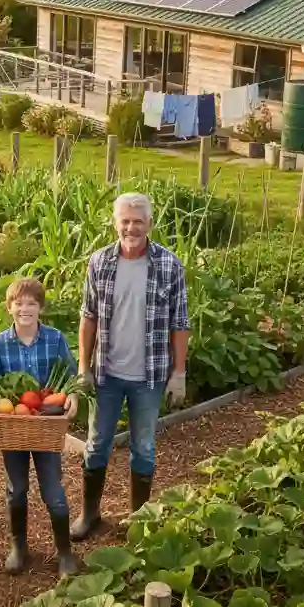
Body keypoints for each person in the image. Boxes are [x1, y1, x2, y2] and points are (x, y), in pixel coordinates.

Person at [70, 192, 190, 542]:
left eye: (138, 221)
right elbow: (88, 317)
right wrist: (84, 367)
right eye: (125, 221)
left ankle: (139, 518)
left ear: (149, 224)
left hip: (149, 376)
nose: (131, 228)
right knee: (96, 443)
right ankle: (89, 514)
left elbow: (179, 323)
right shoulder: (100, 262)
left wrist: (178, 373)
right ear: (115, 223)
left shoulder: (169, 265)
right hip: (107, 373)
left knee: (144, 446)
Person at [0, 277, 80, 576]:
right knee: (17, 489)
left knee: (53, 490)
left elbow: (71, 375)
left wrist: (74, 397)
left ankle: (65, 552)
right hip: (14, 422)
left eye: (31, 303)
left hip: (46, 424)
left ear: (40, 307)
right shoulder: (0, 343)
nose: (25, 309)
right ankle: (19, 546)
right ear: (9, 307)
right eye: (19, 303)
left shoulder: (55, 339)